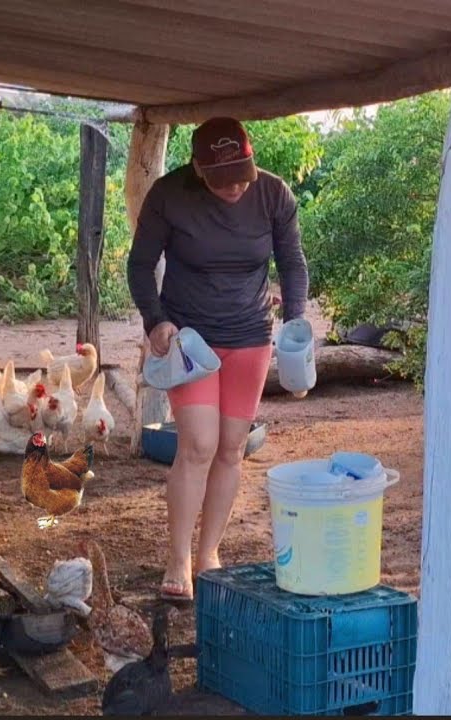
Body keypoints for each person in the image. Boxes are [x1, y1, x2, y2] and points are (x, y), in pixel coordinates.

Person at [127, 116, 308, 601]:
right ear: (197, 168)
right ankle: (178, 558)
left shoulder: (273, 195)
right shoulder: (169, 195)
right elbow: (141, 265)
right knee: (198, 446)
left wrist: (296, 323)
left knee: (231, 447)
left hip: (250, 335)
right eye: (221, 179)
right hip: (190, 340)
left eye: (241, 176)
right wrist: (156, 321)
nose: (233, 188)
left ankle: (210, 552)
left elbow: (292, 263)